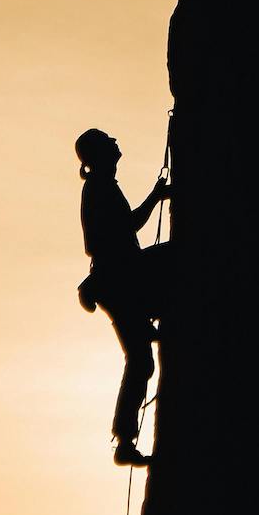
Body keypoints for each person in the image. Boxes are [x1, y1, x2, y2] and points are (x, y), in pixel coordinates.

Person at [75, 127, 171, 467]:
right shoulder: (99, 189)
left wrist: (156, 196)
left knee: (141, 360)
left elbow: (125, 228)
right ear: (100, 154)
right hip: (120, 281)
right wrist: (155, 197)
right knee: (177, 258)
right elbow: (126, 227)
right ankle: (124, 439)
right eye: (109, 142)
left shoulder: (102, 187)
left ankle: (124, 439)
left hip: (118, 281)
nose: (117, 144)